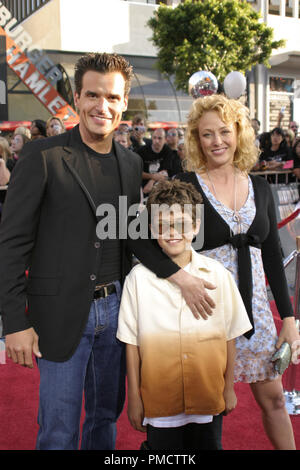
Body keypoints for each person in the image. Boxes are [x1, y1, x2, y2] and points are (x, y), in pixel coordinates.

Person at [0, 52, 216, 451]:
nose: (103, 106)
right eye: (93, 95)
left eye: (113, 98)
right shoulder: (42, 156)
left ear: (124, 102)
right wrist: (13, 322)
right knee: (59, 432)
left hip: (116, 312)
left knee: (104, 422)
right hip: (59, 314)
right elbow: (11, 244)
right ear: (78, 99)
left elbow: (133, 236)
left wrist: (181, 276)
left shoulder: (131, 163)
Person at [176, 94, 299, 450]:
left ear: (239, 132)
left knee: (274, 401)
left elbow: (274, 255)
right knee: (209, 410)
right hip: (206, 314)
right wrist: (180, 279)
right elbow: (154, 241)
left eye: (224, 132)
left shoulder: (260, 187)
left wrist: (287, 319)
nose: (217, 142)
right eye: (207, 134)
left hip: (256, 315)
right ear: (197, 140)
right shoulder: (186, 185)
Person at [117, 179, 252, 450]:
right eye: (163, 225)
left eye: (180, 223)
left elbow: (229, 337)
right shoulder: (138, 280)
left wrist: (228, 388)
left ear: (195, 226)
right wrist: (134, 396)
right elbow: (132, 344)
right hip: (159, 401)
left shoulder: (219, 276)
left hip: (207, 397)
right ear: (153, 229)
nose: (172, 232)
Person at [137, 128, 180, 195]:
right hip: (141, 188)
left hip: (158, 189)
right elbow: (138, 173)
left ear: (165, 140)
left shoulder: (167, 151)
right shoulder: (142, 151)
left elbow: (165, 172)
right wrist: (152, 176)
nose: (156, 141)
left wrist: (152, 180)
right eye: (154, 138)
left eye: (160, 138)